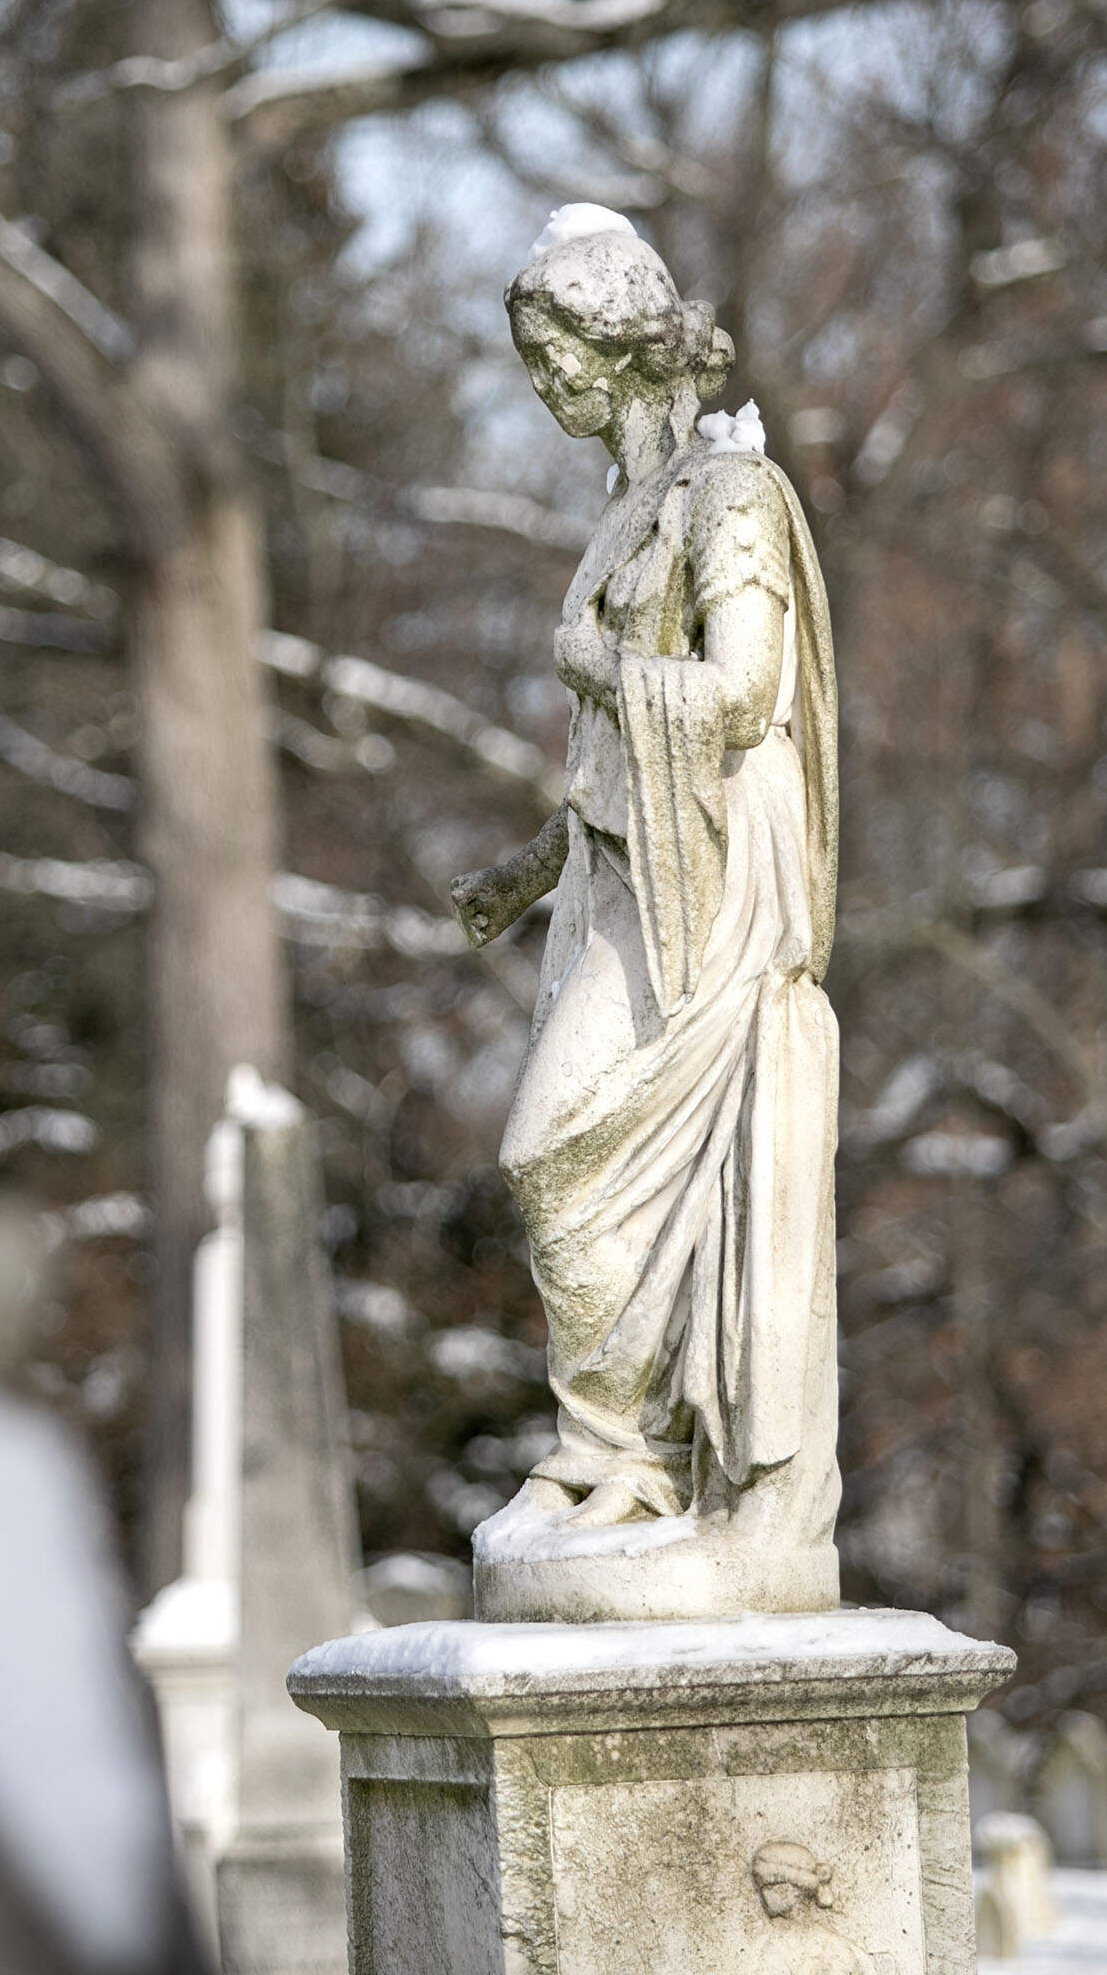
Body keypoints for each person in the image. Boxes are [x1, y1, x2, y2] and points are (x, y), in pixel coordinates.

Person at [453, 205, 842, 1612]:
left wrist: (598, 665)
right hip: (625, 869)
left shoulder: (729, 497)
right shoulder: (631, 508)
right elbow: (621, 769)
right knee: (557, 1161)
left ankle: (642, 1455)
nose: (545, 384)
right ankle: (608, 1451)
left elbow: (739, 698)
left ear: (625, 346)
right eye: (531, 357)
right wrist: (526, 869)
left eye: (558, 353)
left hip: (713, 891)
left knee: (554, 1150)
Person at [749, 1842, 872, 1975]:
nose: (764, 1895)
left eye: (770, 1886)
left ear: (793, 1890)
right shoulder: (773, 1948)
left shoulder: (836, 1951)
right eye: (762, 1887)